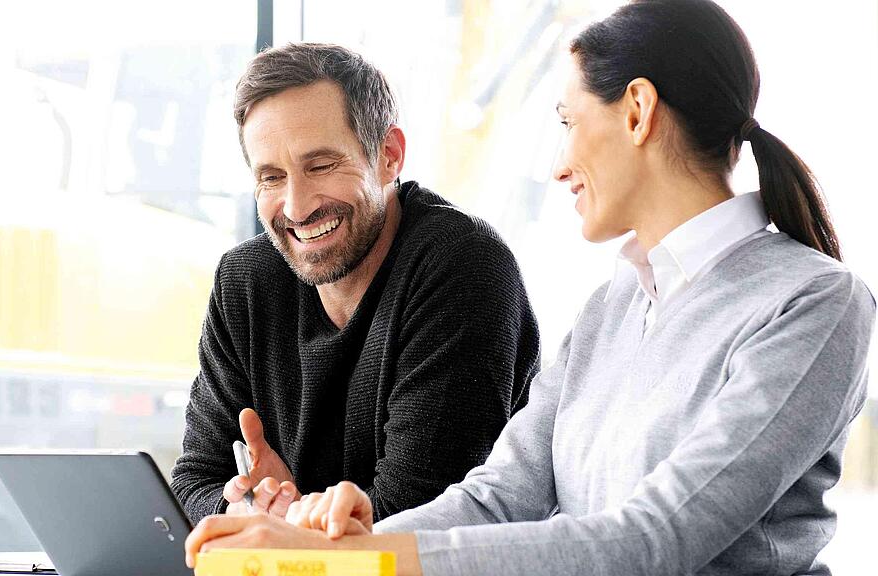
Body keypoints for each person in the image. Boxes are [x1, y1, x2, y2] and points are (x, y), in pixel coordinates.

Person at [182, 1, 877, 574]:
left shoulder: (813, 303)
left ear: (637, 111)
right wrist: (353, 541)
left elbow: (654, 540)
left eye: (568, 123)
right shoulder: (615, 304)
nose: (558, 164)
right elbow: (497, 497)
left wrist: (360, 561)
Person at [169, 43, 540, 524]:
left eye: (320, 165)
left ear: (389, 155)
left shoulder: (463, 266)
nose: (297, 207)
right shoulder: (246, 281)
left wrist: (288, 520)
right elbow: (191, 484)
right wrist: (249, 508)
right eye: (272, 177)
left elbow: (420, 516)